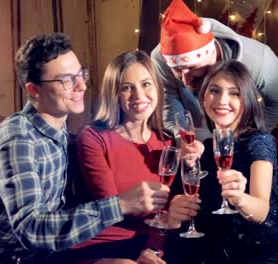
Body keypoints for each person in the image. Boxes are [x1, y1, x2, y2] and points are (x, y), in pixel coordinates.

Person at [0, 34, 169, 264]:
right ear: (34, 89)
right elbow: (33, 230)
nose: (81, 85)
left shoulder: (66, 139)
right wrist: (121, 204)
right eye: (66, 80)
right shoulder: (18, 139)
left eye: (80, 74)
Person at [165, 60, 278, 263]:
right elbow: (187, 213)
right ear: (203, 97)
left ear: (246, 100)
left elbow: (261, 211)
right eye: (214, 91)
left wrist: (240, 198)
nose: (222, 100)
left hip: (260, 252)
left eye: (235, 93)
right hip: (216, 253)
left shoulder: (259, 142)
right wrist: (176, 209)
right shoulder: (202, 148)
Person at [67, 50, 202, 264]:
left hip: (146, 247)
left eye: (146, 84)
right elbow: (112, 209)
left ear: (157, 87)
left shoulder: (166, 142)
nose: (139, 96)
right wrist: (166, 218)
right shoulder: (93, 138)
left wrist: (153, 250)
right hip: (99, 247)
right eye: (127, 88)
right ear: (114, 94)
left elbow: (162, 218)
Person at [151, 0, 278, 142]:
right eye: (178, 71)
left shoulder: (261, 61)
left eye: (192, 68)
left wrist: (253, 139)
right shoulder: (160, 58)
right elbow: (171, 108)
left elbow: (275, 103)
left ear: (212, 54)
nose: (186, 82)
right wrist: (189, 143)